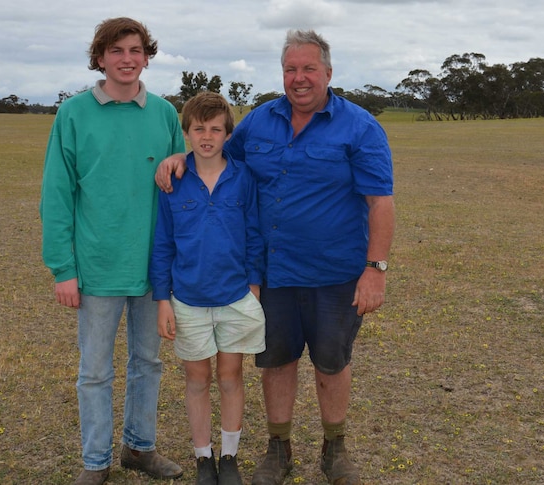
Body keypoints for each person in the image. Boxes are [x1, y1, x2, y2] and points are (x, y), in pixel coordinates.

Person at [156, 29, 395, 485]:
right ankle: (278, 448)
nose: (299, 78)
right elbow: (217, 155)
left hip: (335, 274)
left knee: (332, 362)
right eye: (291, 69)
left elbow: (380, 203)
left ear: (328, 72)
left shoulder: (361, 127)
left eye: (309, 69)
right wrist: (179, 159)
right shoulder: (259, 121)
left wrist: (375, 270)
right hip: (274, 273)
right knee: (276, 362)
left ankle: (335, 447)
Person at [39, 17, 186, 485]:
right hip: (97, 266)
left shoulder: (164, 113)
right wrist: (63, 268)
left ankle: (139, 449)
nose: (127, 59)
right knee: (95, 372)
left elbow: (183, 188)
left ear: (147, 56)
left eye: (136, 50)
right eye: (117, 50)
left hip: (153, 268)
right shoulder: (74, 113)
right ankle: (95, 461)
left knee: (149, 362)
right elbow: (57, 195)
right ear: (100, 57)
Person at [149, 91, 266, 485]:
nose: (207, 136)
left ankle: (229, 456)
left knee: (231, 376)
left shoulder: (243, 177)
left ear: (227, 133)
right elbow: (162, 243)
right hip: (188, 300)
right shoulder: (174, 180)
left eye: (216, 129)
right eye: (199, 128)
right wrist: (163, 299)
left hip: (235, 297)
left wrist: (254, 288)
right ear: (186, 132)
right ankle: (203, 458)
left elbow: (254, 236)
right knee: (197, 379)